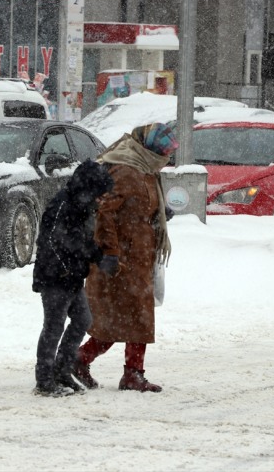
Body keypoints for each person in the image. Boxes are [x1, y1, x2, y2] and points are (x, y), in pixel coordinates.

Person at [73, 122, 179, 393]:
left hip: (139, 259)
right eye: (163, 152)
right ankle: (81, 361)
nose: (166, 159)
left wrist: (156, 213)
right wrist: (109, 253)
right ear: (149, 149)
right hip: (120, 262)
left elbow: (137, 205)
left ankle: (129, 373)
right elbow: (104, 213)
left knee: (132, 320)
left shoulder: (145, 169)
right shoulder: (125, 169)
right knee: (116, 322)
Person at [32, 159, 115, 397]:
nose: (102, 199)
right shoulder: (63, 205)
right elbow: (52, 241)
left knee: (83, 320)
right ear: (88, 189)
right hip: (55, 276)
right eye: (100, 194)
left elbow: (81, 242)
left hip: (73, 275)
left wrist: (99, 257)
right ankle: (45, 379)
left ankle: (62, 369)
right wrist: (65, 267)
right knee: (54, 326)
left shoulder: (82, 207)